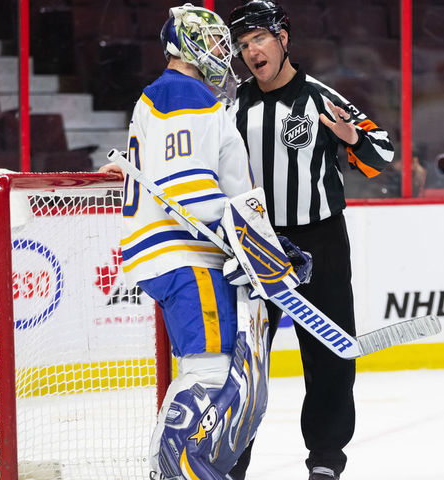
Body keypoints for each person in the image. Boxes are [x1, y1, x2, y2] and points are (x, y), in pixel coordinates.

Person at [225, 2, 395, 480]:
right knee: (247, 359)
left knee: (328, 354)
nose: (250, 51)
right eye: (242, 45)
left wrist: (353, 140)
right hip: (256, 241)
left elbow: (381, 152)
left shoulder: (321, 97)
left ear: (283, 38)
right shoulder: (234, 103)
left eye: (258, 38)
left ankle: (325, 460)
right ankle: (232, 460)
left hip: (320, 242)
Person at [111, 5, 271, 479]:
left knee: (209, 370)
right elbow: (189, 191)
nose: (227, 53)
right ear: (191, 44)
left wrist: (262, 240)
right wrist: (252, 244)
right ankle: (176, 469)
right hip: (186, 252)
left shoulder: (177, 94)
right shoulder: (183, 92)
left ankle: (172, 470)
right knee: (210, 372)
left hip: (181, 253)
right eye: (219, 43)